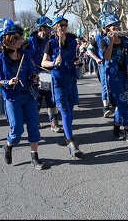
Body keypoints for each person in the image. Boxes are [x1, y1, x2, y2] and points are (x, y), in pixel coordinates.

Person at [0, 18, 45, 169]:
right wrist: (6, 82)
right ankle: (8, 146)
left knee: (33, 127)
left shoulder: (25, 55)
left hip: (29, 96)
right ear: (7, 41)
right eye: (16, 39)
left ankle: (35, 156)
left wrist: (34, 77)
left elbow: (32, 71)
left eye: (19, 37)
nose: (20, 40)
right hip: (12, 98)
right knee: (17, 129)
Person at [41, 15, 84, 158]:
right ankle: (72, 143)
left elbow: (73, 58)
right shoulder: (51, 43)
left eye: (65, 25)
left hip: (71, 80)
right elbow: (43, 63)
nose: (63, 28)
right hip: (58, 82)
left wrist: (76, 62)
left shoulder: (72, 41)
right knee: (64, 112)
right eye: (60, 25)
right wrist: (53, 63)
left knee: (70, 113)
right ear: (55, 28)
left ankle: (68, 137)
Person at [98, 4, 128, 142]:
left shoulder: (123, 40)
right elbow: (107, 57)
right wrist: (110, 42)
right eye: (112, 25)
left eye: (117, 24)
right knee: (122, 103)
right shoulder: (104, 41)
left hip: (124, 75)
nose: (116, 27)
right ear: (107, 28)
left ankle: (116, 128)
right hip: (113, 76)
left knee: (120, 103)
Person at [24, 16, 63, 133]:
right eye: (47, 28)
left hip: (47, 73)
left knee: (51, 98)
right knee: (36, 98)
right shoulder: (29, 41)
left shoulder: (50, 41)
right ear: (41, 28)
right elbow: (21, 55)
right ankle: (34, 121)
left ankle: (54, 121)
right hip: (34, 75)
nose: (50, 31)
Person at [87, 23, 113, 118]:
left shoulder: (116, 36)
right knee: (105, 84)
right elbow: (89, 50)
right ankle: (105, 107)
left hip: (115, 65)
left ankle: (114, 103)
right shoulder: (98, 38)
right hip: (103, 65)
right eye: (106, 27)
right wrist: (96, 59)